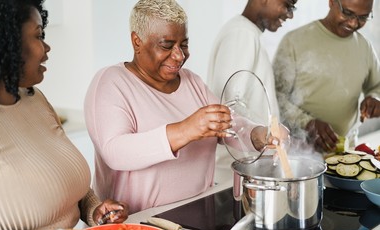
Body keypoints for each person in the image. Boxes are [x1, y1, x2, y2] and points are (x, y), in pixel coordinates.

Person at [84, 0, 285, 215]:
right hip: (139, 224)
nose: (179, 56)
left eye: (184, 45)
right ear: (137, 42)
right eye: (167, 46)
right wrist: (186, 129)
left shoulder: (191, 81)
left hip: (202, 213)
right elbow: (115, 152)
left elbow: (228, 123)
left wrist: (259, 134)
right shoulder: (112, 82)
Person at [0, 0, 128, 230]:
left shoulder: (35, 99)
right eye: (39, 35)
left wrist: (94, 210)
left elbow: (63, 184)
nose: (47, 48)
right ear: (2, 42)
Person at [273, 0, 380, 153]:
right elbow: (276, 97)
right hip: (300, 154)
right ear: (331, 2)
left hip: (346, 153)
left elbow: (376, 86)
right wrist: (307, 123)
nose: (353, 23)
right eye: (348, 13)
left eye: (363, 17)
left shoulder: (365, 46)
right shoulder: (294, 41)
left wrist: (375, 98)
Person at [206, 0, 297, 173]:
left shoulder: (246, 32)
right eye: (287, 4)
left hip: (248, 166)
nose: (290, 14)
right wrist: (267, 134)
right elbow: (231, 105)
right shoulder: (241, 34)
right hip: (238, 170)